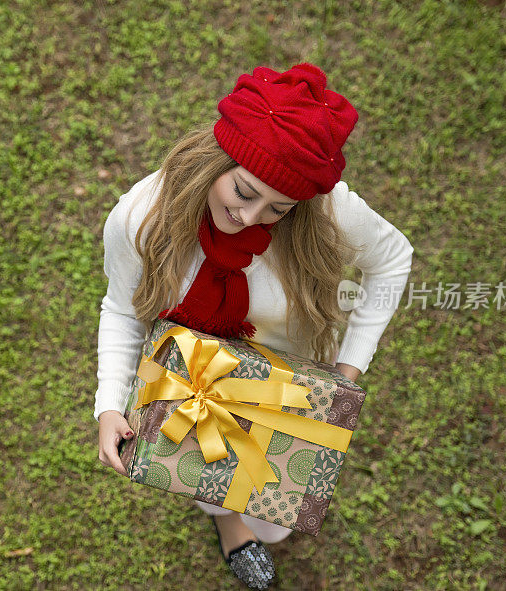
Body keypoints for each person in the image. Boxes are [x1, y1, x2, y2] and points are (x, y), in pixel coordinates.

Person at [94, 63, 413, 590]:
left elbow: (393, 258)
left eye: (278, 208)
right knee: (205, 472)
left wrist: (348, 367)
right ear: (216, 159)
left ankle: (250, 522)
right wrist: (110, 402)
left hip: (291, 380)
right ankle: (227, 523)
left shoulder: (328, 214)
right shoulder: (140, 216)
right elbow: (123, 308)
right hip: (191, 381)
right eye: (244, 191)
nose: (249, 217)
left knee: (274, 509)